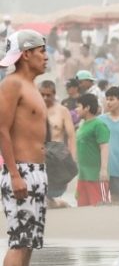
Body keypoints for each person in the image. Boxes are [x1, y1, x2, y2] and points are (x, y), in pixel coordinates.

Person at [0, 30, 49, 266]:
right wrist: (15, 173)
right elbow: (2, 129)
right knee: (19, 242)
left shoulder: (31, 86)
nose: (46, 56)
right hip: (21, 172)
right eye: (42, 51)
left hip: (36, 172)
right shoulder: (12, 84)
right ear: (26, 53)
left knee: (29, 243)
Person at [40, 80, 76, 208]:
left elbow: (71, 136)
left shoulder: (62, 111)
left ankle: (61, 204)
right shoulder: (34, 110)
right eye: (42, 94)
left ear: (54, 94)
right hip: (39, 156)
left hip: (58, 156)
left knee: (53, 193)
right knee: (39, 192)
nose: (45, 98)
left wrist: (73, 157)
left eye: (48, 95)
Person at [75, 93, 110, 207]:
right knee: (82, 207)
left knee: (99, 206)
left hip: (96, 175)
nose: (76, 109)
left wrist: (103, 170)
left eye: (79, 106)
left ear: (87, 107)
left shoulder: (99, 125)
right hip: (83, 175)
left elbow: (104, 147)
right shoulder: (83, 125)